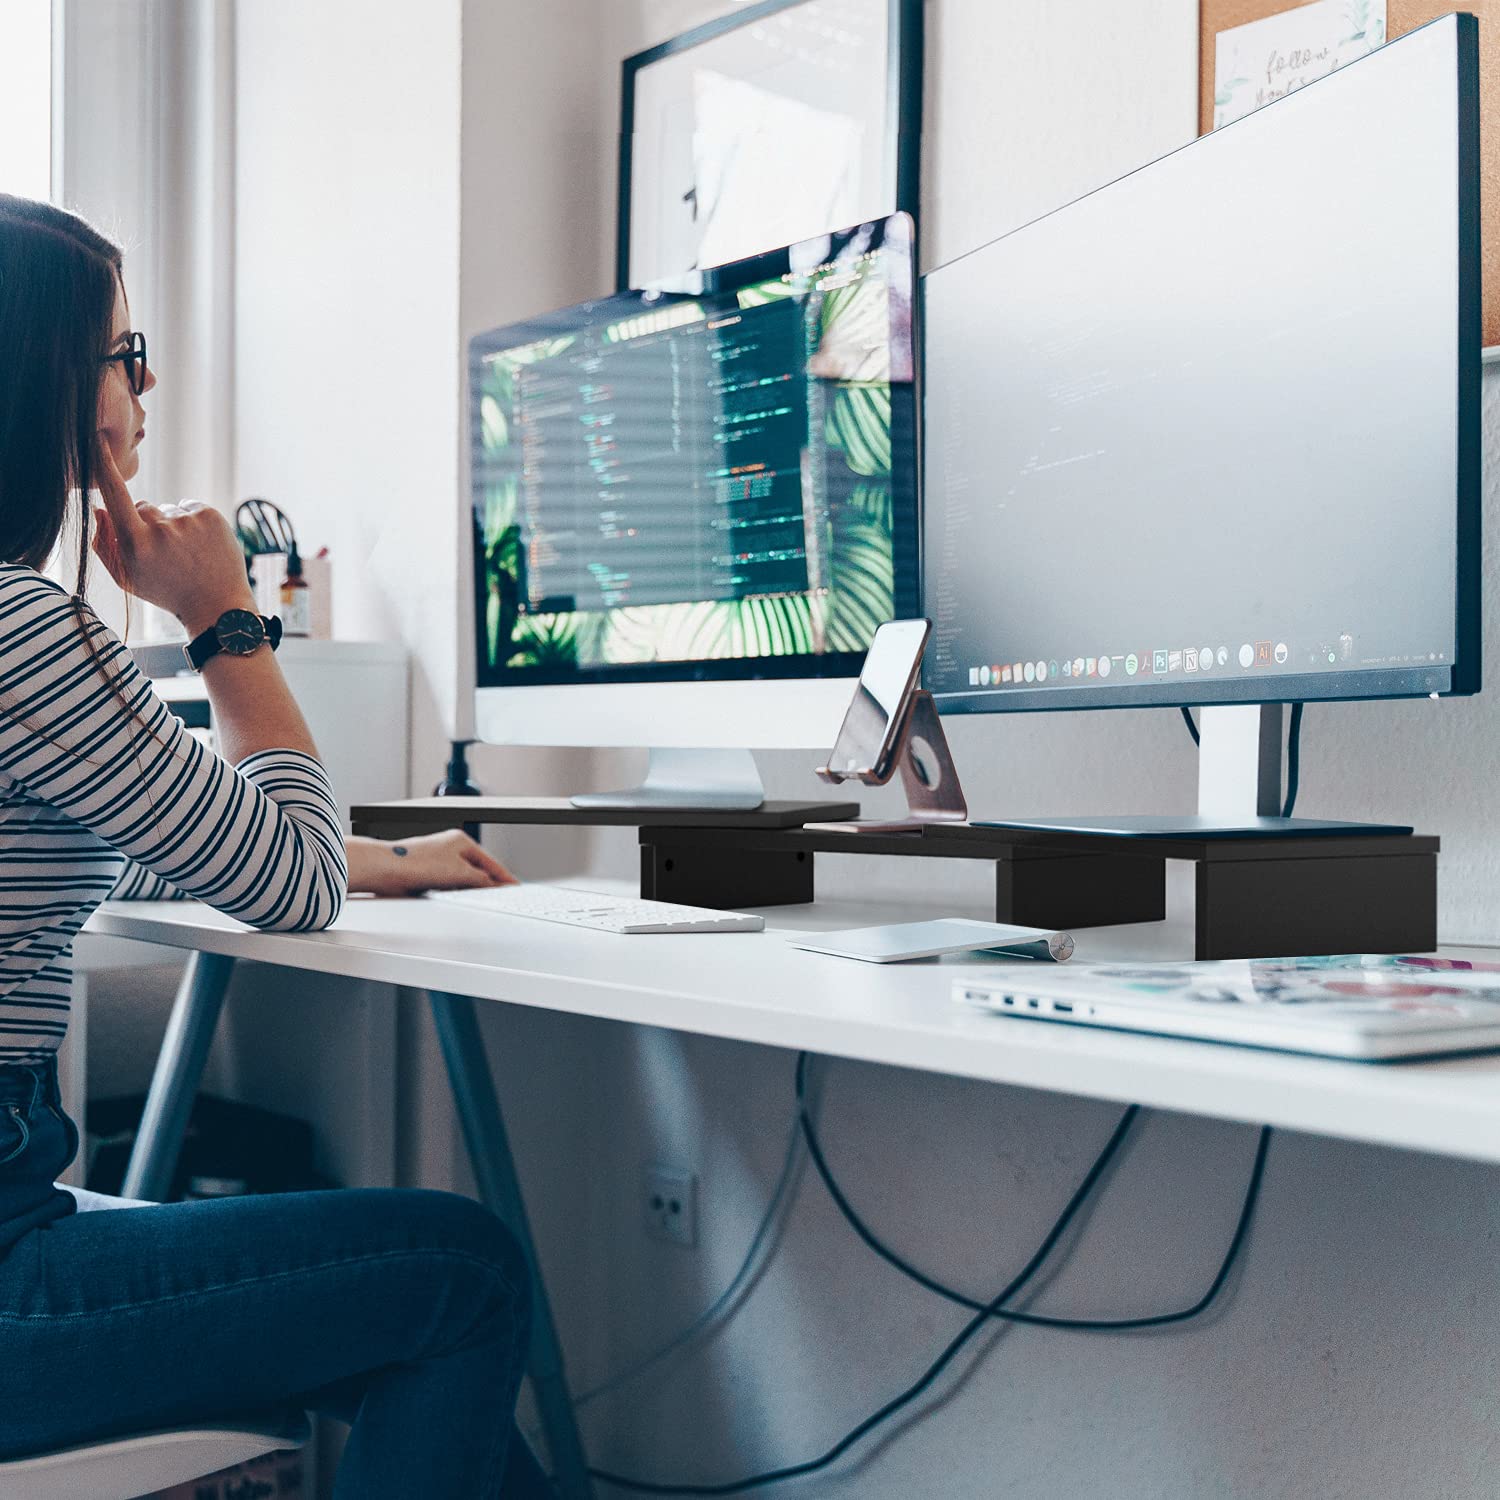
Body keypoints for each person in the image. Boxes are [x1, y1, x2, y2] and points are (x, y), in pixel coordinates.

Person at [0, 194, 554, 1497]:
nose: (144, 390)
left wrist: (376, 857)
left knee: (391, 1323)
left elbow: (122, 848)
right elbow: (288, 886)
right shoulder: (25, 628)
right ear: (53, 381)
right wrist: (224, 617)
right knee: (459, 1278)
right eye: (126, 357)